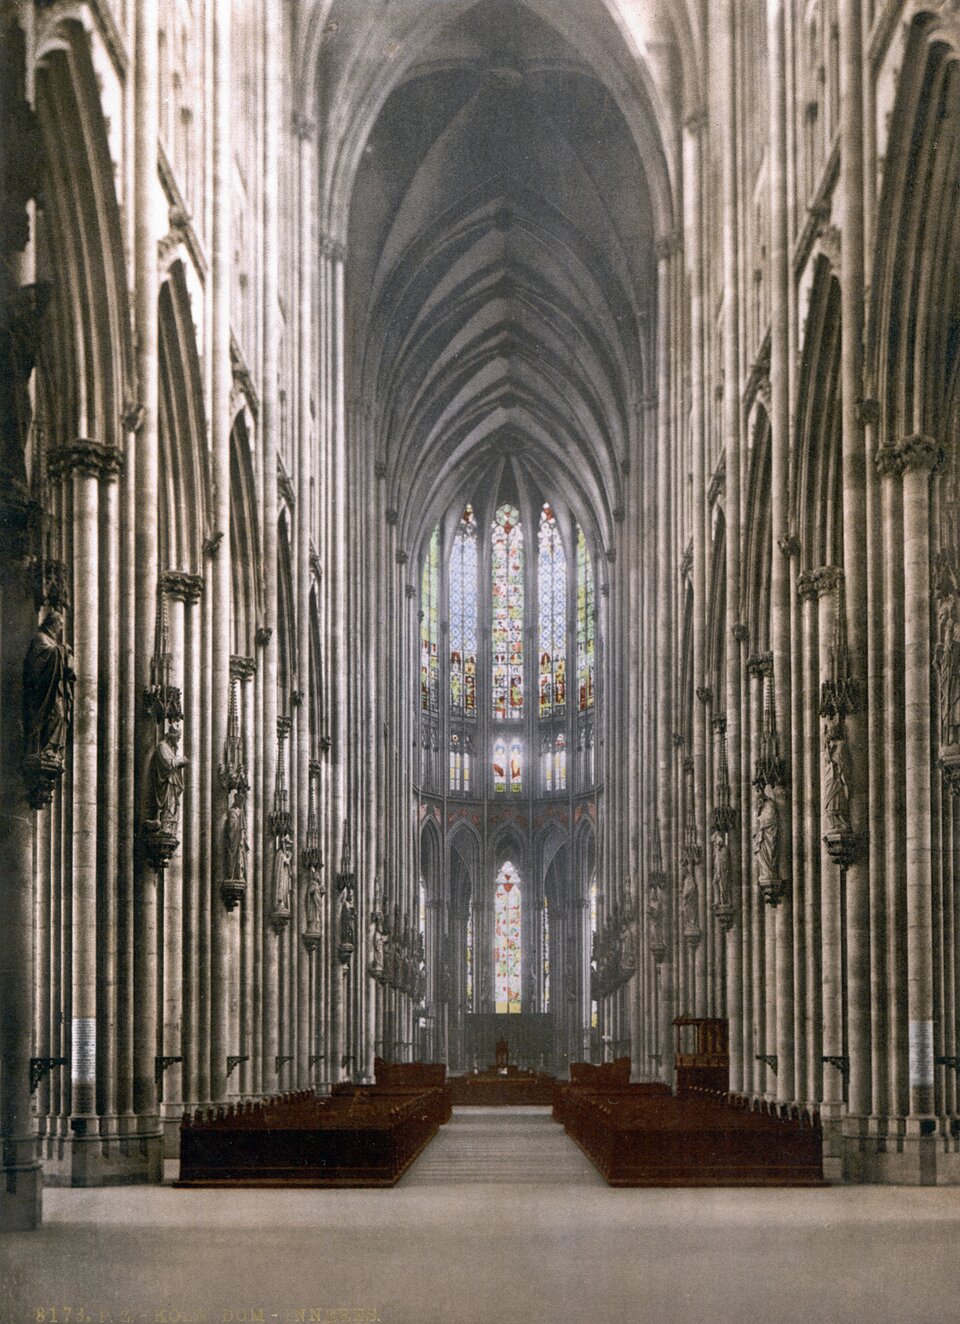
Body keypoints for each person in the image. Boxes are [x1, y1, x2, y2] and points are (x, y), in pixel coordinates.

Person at [23, 607, 75, 764]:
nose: (61, 628)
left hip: (56, 690)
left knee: (60, 715)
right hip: (44, 693)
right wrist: (61, 651)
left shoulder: (51, 642)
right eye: (60, 624)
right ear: (52, 623)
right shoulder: (40, 638)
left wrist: (62, 652)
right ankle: (46, 749)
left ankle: (52, 750)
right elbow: (37, 664)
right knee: (55, 714)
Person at [143, 722, 187, 834]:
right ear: (172, 736)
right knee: (167, 807)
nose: (178, 740)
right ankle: (163, 827)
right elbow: (167, 764)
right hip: (166, 785)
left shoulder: (170, 750)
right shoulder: (162, 746)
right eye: (177, 737)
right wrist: (180, 760)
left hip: (172, 785)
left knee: (172, 808)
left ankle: (168, 828)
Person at [223, 784, 249, 882]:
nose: (242, 803)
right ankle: (231, 875)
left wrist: (242, 834)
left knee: (240, 857)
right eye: (241, 801)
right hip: (234, 841)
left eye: (243, 801)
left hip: (238, 841)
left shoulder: (239, 813)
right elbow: (231, 829)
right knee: (232, 854)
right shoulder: (233, 812)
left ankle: (239, 875)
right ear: (236, 800)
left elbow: (242, 828)